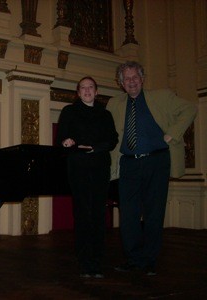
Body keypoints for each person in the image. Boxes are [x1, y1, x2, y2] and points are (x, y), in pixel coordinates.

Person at [107, 61, 197, 276]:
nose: (131, 82)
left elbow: (190, 109)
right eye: (126, 79)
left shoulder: (162, 96)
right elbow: (105, 130)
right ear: (121, 83)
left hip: (156, 162)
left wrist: (173, 133)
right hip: (128, 163)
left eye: (135, 77)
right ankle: (133, 259)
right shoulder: (114, 104)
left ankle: (149, 260)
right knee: (128, 214)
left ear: (142, 79)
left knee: (154, 213)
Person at [56, 76, 118, 278]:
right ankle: (84, 261)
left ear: (96, 91)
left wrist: (96, 148)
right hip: (79, 168)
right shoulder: (69, 111)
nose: (87, 90)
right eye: (83, 88)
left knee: (98, 213)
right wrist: (67, 141)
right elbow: (62, 137)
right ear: (78, 92)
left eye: (90, 87)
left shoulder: (105, 114)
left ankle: (97, 260)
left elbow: (112, 139)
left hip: (100, 167)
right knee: (82, 213)